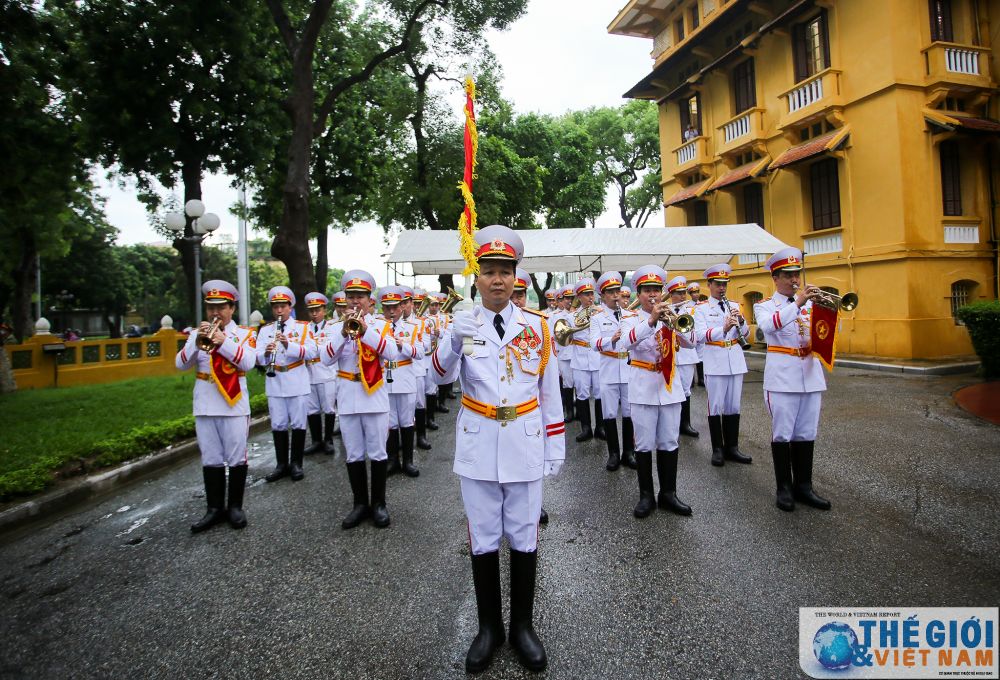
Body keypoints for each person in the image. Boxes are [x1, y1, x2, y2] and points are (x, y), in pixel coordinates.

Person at [431, 225, 565, 673]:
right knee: (484, 537)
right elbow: (440, 378)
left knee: (525, 536)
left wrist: (555, 446)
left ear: (515, 276)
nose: (498, 279)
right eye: (488, 271)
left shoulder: (538, 328)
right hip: (479, 443)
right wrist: (451, 341)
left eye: (505, 271)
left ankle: (523, 627)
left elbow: (550, 392)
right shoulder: (465, 325)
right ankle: (489, 628)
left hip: (525, 441)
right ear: (478, 277)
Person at [321, 271, 401, 528]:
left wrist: (365, 331)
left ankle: (379, 504)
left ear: (370, 302)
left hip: (374, 395)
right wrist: (344, 334)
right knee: (353, 453)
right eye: (350, 297)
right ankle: (359, 504)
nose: (355, 302)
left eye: (360, 297)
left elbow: (391, 353)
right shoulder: (335, 328)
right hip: (347, 396)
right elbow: (325, 358)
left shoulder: (381, 326)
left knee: (378, 452)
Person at [753, 247, 831, 512]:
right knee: (783, 434)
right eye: (788, 275)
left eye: (796, 274)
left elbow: (829, 333)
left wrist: (826, 309)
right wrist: (798, 304)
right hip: (782, 379)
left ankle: (804, 487)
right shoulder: (763, 305)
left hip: (810, 375)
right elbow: (769, 327)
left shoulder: (810, 304)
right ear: (775, 278)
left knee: (807, 433)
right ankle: (784, 488)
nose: (794, 280)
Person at [177, 280, 257, 533]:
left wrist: (223, 341)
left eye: (221, 307)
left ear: (231, 308)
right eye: (211, 307)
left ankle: (235, 507)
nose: (215, 313)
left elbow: (247, 363)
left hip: (233, 405)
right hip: (205, 404)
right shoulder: (195, 333)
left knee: (236, 457)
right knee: (210, 458)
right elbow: (180, 364)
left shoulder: (244, 334)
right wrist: (196, 339)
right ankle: (213, 509)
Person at [622, 266, 694, 518]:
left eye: (656, 290)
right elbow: (625, 342)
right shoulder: (629, 317)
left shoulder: (671, 314)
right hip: (643, 387)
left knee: (669, 441)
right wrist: (651, 321)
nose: (652, 295)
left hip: (669, 387)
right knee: (643, 444)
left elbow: (692, 341)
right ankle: (646, 496)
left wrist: (673, 324)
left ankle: (668, 494)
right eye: (647, 291)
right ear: (638, 293)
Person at [693, 265, 752, 467]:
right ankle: (717, 449)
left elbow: (747, 334)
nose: (722, 288)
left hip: (735, 359)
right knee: (715, 405)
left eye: (724, 284)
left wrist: (742, 322)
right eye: (718, 284)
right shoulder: (701, 309)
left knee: (733, 405)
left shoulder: (733, 304)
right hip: (715, 359)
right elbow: (700, 335)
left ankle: (732, 448)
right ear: (709, 285)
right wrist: (722, 328)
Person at [257, 286, 316, 482]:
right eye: (275, 307)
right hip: (275, 382)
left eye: (283, 306)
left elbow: (311, 352)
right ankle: (281, 464)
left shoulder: (303, 327)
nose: (279, 311)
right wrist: (266, 353)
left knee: (298, 423)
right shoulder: (266, 330)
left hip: (296, 380)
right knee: (278, 424)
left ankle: (296, 463)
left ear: (290, 306)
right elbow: (256, 358)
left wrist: (287, 345)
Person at [512, 268, 553, 525]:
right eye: (513, 294)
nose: (517, 300)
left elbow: (545, 379)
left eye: (521, 294)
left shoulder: (537, 325)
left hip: (528, 408)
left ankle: (535, 505)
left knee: (530, 462)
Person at [590, 271, 637, 471]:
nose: (616, 295)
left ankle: (629, 452)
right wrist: (612, 339)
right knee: (609, 413)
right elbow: (594, 343)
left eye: (617, 290)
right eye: (610, 292)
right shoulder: (597, 318)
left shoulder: (630, 315)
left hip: (628, 370)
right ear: (602, 295)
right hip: (608, 370)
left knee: (629, 412)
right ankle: (613, 454)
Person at [382, 285, 423, 478]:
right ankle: (392, 460)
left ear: (401, 307)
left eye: (395, 307)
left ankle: (408, 461)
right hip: (384, 379)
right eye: (387, 307)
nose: (391, 311)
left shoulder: (412, 328)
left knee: (406, 421)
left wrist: (403, 345)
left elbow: (420, 352)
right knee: (390, 422)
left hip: (405, 378)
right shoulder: (377, 328)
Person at [569, 277, 605, 442]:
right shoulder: (572, 316)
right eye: (586, 294)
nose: (590, 297)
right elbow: (565, 337)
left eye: (591, 293)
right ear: (579, 296)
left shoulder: (601, 312)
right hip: (580, 359)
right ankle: (585, 428)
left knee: (599, 393)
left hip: (597, 358)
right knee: (582, 394)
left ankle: (600, 427)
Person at [303, 292, 337, 455]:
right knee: (312, 409)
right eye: (311, 310)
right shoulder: (304, 328)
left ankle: (328, 439)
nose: (314, 313)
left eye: (317, 310)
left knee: (328, 407)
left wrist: (312, 348)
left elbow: (327, 349)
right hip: (309, 373)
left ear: (324, 310)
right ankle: (316, 440)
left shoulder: (331, 327)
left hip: (326, 372)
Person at [667, 276, 700, 438]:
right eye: (678, 293)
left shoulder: (692, 311)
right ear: (671, 294)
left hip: (686, 356)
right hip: (670, 356)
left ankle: (685, 424)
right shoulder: (665, 310)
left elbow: (695, 337)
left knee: (686, 391)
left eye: (683, 293)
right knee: (672, 390)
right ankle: (672, 424)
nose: (682, 296)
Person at [408, 287, 434, 452]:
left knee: (418, 403)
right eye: (415, 303)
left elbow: (426, 345)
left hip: (417, 368)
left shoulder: (422, 322)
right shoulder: (387, 323)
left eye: (418, 303)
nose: (418, 307)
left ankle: (421, 436)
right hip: (393, 372)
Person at [553, 285, 576, 423]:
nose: (569, 301)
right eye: (567, 298)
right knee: (567, 384)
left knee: (580, 385)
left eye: (572, 298)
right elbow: (552, 336)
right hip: (564, 354)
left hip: (579, 353)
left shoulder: (579, 314)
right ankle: (569, 412)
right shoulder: (555, 316)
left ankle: (579, 411)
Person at [687, 282, 706, 387]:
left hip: (700, 333)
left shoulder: (703, 305)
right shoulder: (686, 306)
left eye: (697, 292)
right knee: (690, 356)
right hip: (690, 334)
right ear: (690, 294)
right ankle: (691, 379)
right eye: (693, 292)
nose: (696, 294)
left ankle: (701, 378)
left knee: (700, 356)